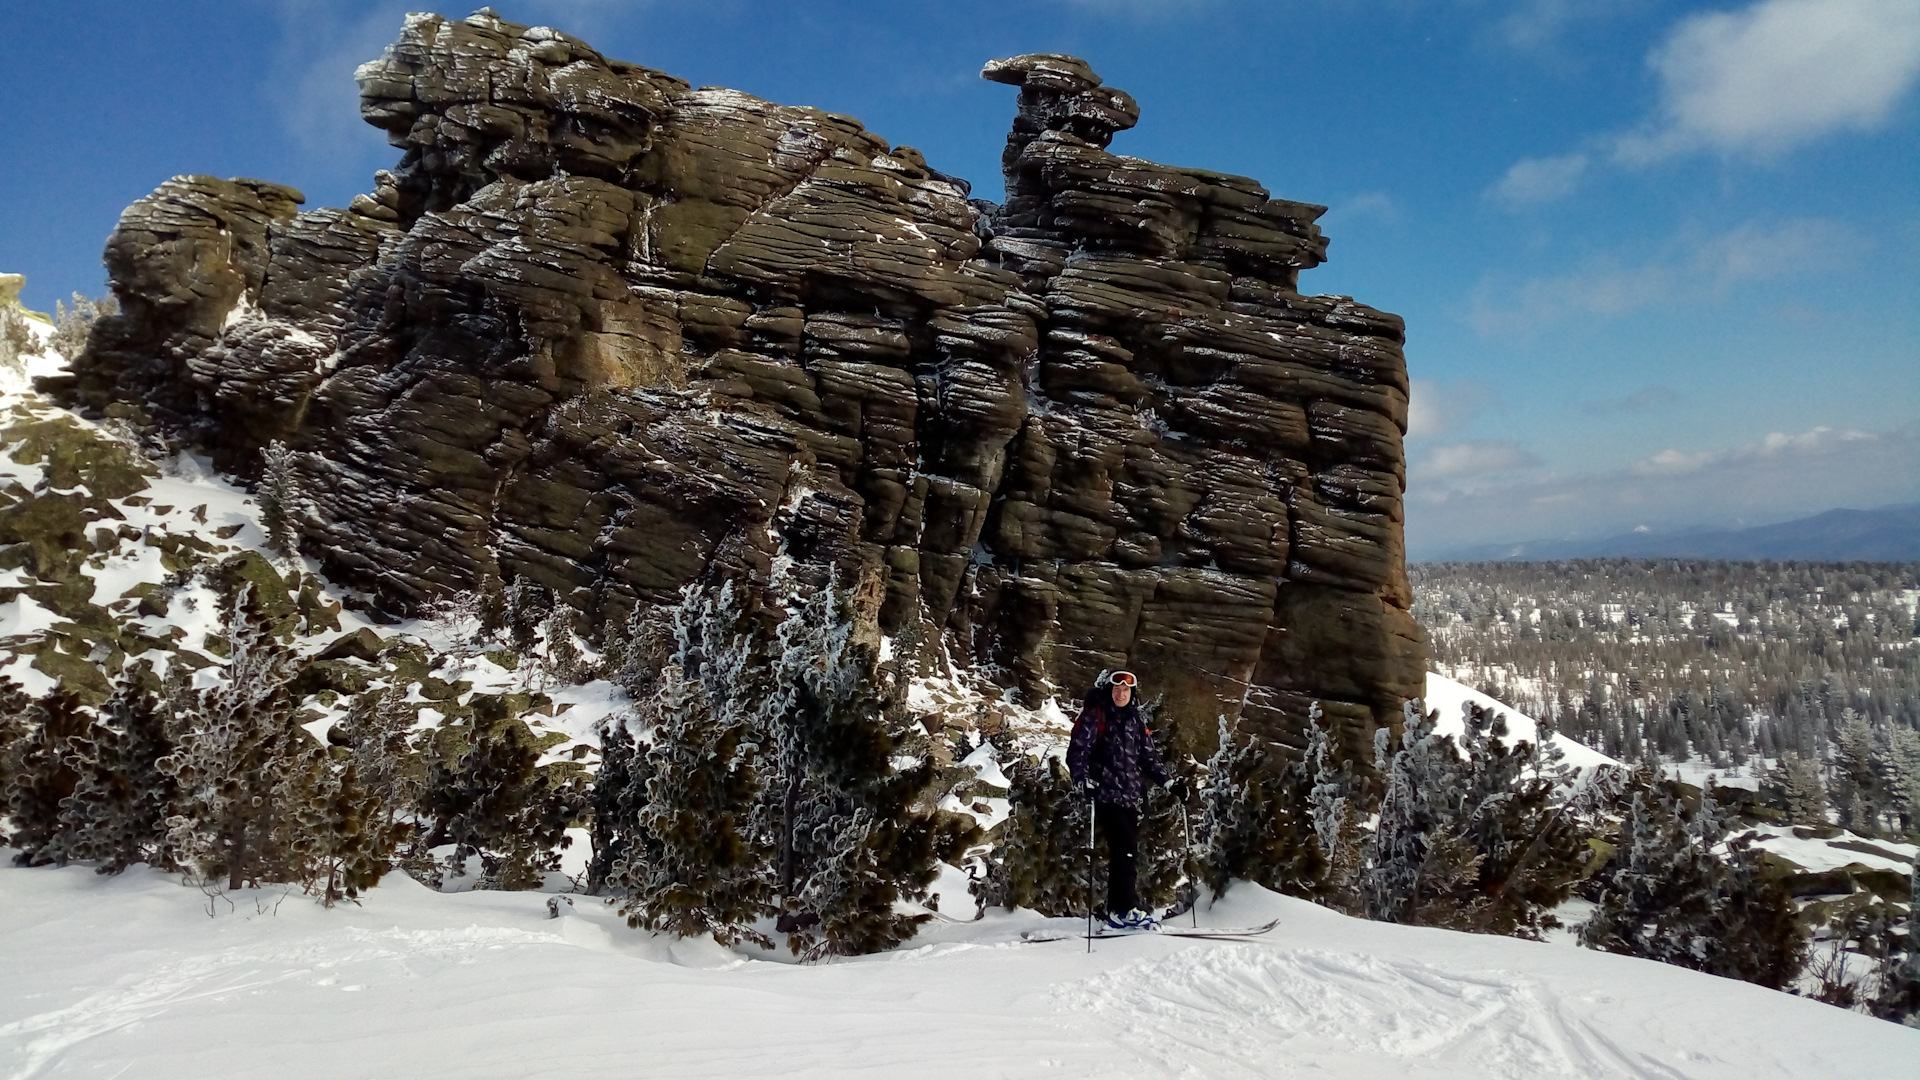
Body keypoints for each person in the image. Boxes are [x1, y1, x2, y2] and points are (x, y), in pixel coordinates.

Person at [1066, 669, 1186, 929]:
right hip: (1106, 793)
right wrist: (1083, 779)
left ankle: (1118, 909)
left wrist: (1169, 782)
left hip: (1130, 797)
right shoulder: (1095, 715)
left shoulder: (1134, 719)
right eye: (1117, 689)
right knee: (1125, 851)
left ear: (1132, 693)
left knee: (1126, 852)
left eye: (1126, 690)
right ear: (1110, 690)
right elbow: (1078, 752)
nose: (1121, 693)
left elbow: (1148, 757)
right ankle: (1123, 910)